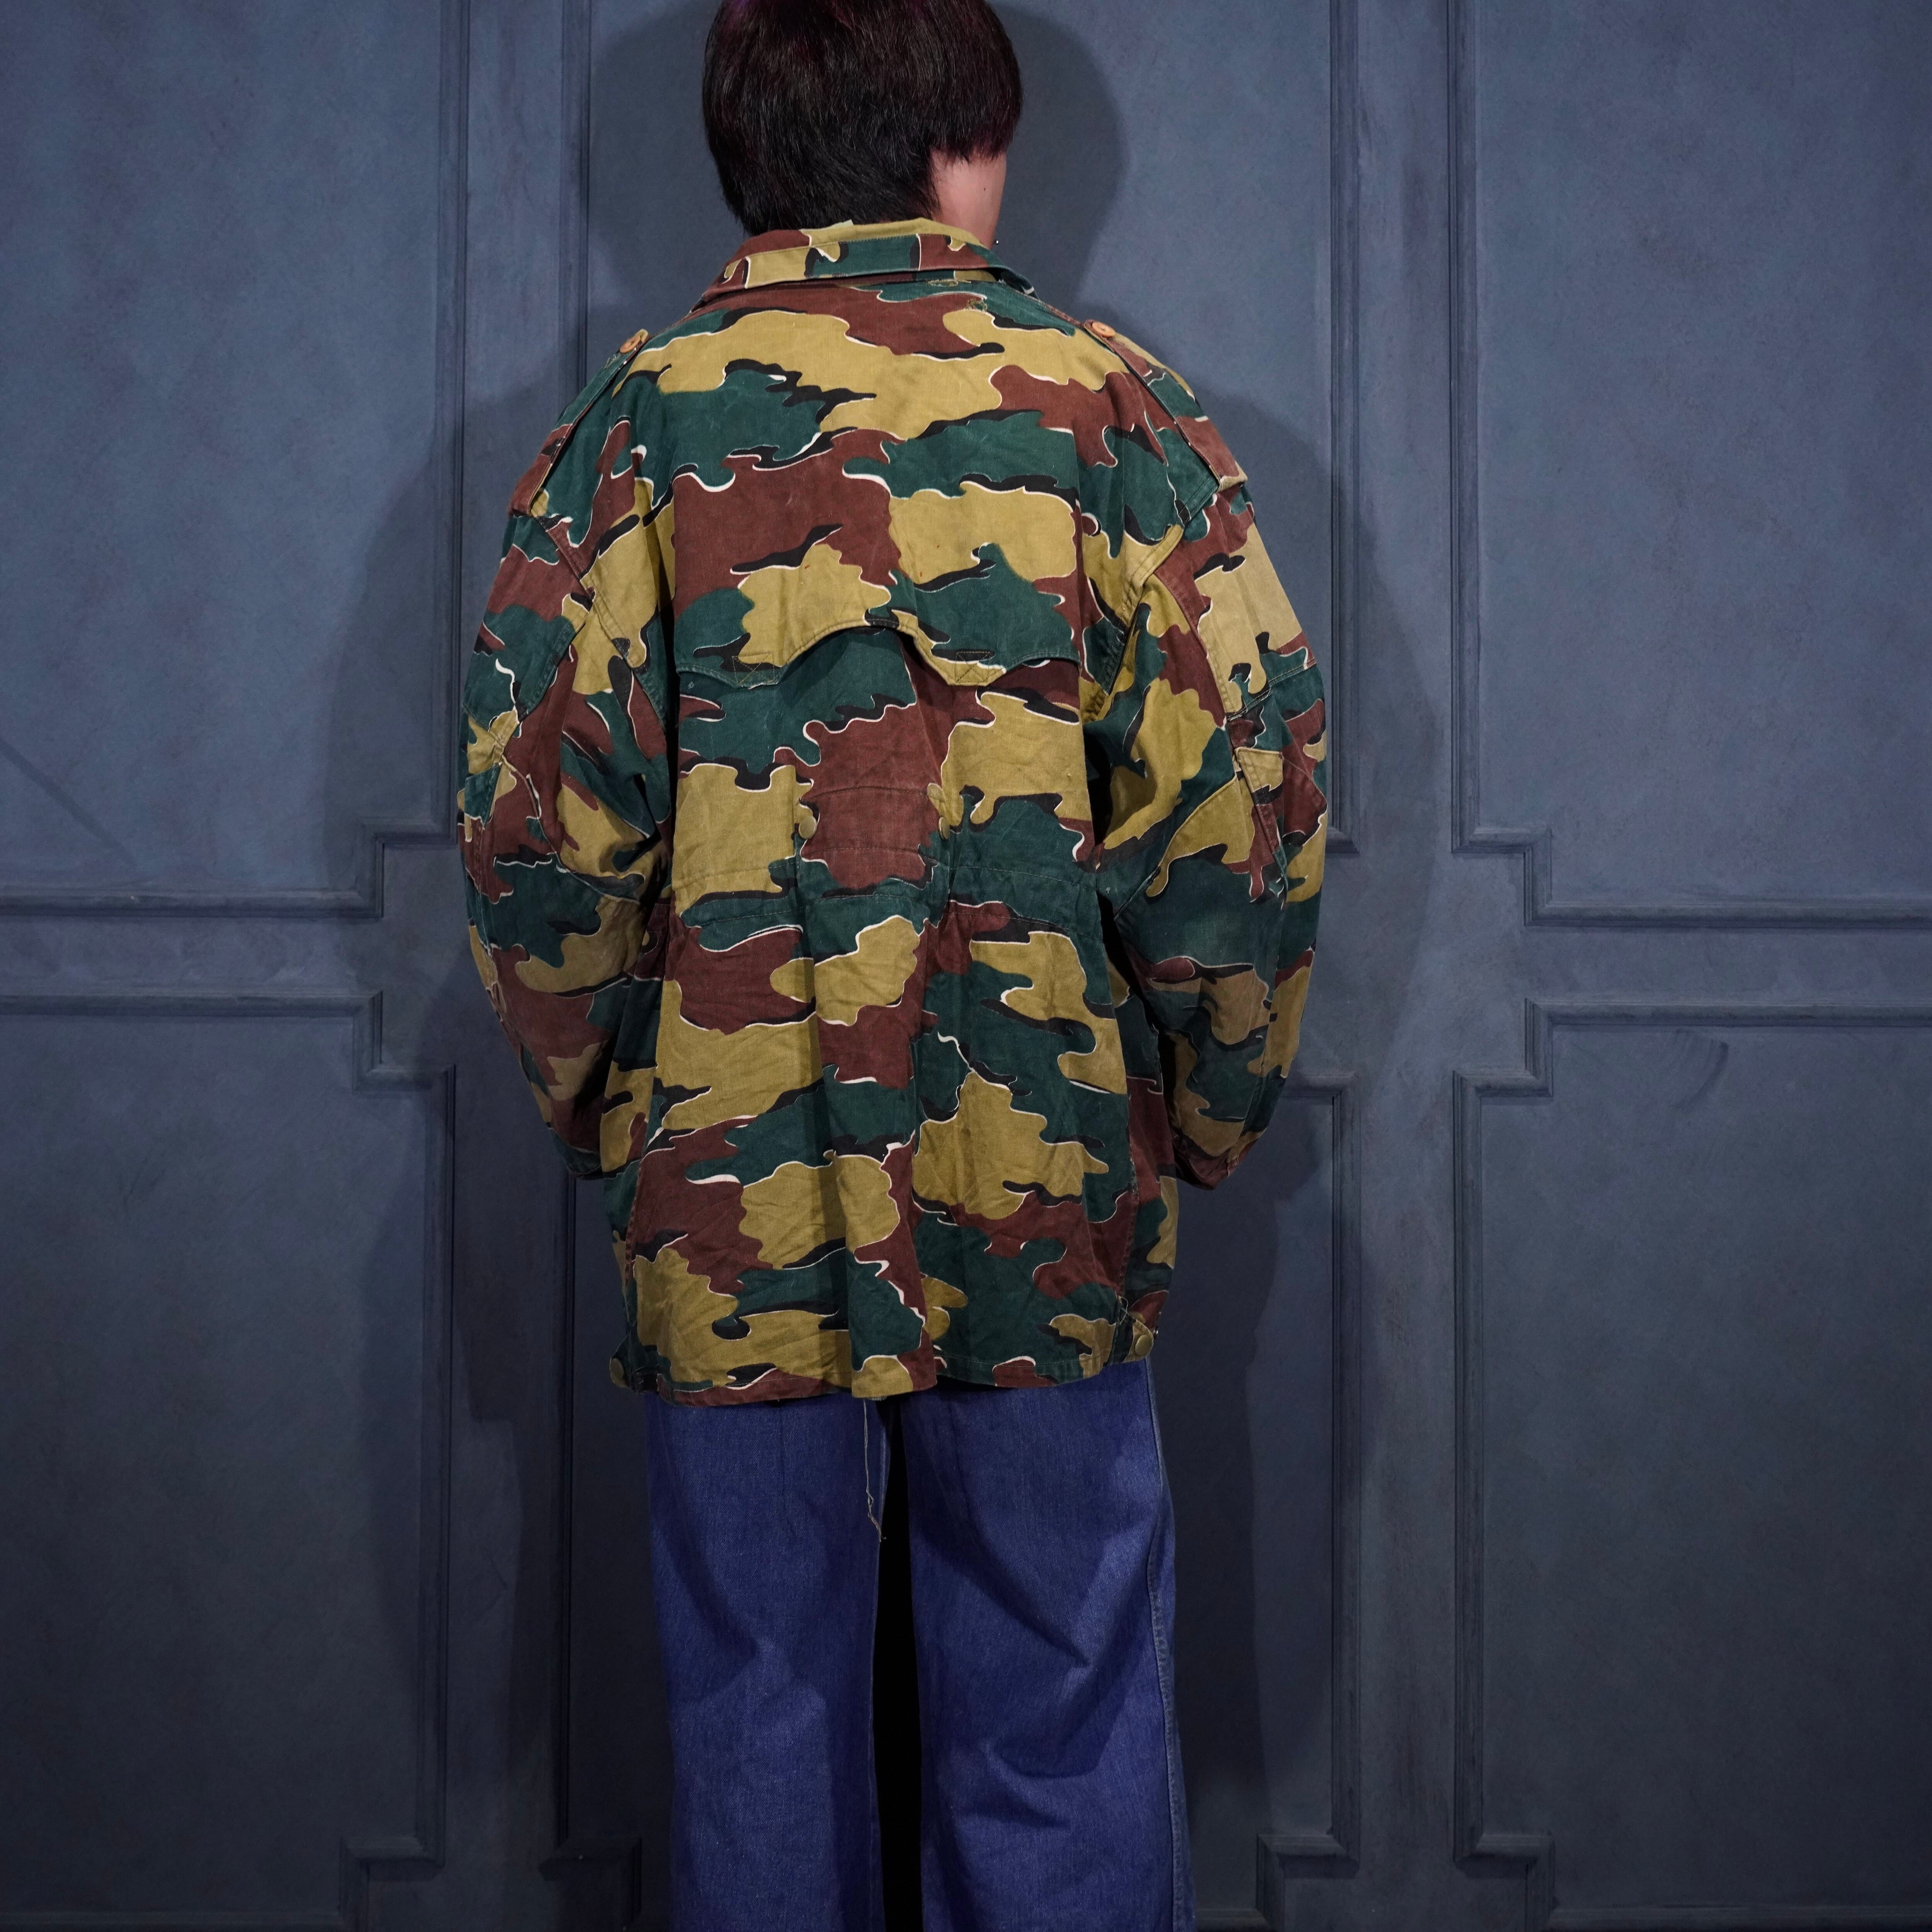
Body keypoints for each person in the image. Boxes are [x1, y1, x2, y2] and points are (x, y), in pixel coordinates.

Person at [459, 0, 1327, 1923]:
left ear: (745, 158)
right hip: (1038, 1180)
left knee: (756, 1711)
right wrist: (1204, 1104)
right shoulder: (1106, 409)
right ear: (969, 147)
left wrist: (619, 1105)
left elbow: (533, 828)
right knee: (1058, 1706)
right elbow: (1240, 802)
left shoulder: (636, 425)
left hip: (729, 1202)